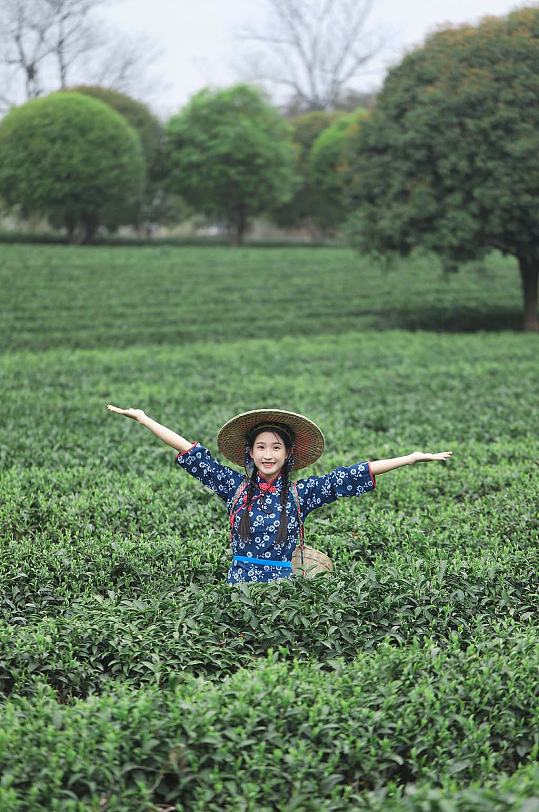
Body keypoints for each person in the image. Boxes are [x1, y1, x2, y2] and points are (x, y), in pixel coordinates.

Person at [106, 406, 452, 585]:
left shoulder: (303, 494)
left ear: (288, 454)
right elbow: (192, 452)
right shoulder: (234, 488)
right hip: (237, 591)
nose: (268, 454)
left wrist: (410, 458)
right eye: (261, 447)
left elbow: (353, 474)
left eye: (276, 447)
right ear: (250, 454)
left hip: (284, 595)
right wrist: (143, 418)